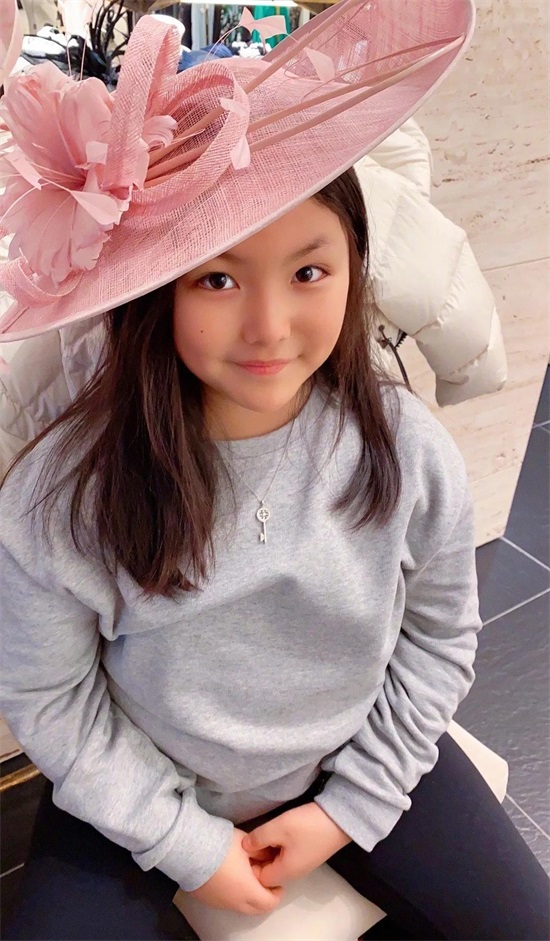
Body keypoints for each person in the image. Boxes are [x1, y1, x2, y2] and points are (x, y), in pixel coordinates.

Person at [0, 2, 548, 939]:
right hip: (143, 778)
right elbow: (50, 696)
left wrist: (347, 807)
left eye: (308, 273)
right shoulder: (68, 491)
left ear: (354, 268)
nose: (268, 327)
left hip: (353, 751)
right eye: (217, 278)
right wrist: (185, 841)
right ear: (156, 292)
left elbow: (440, 633)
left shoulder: (404, 449)